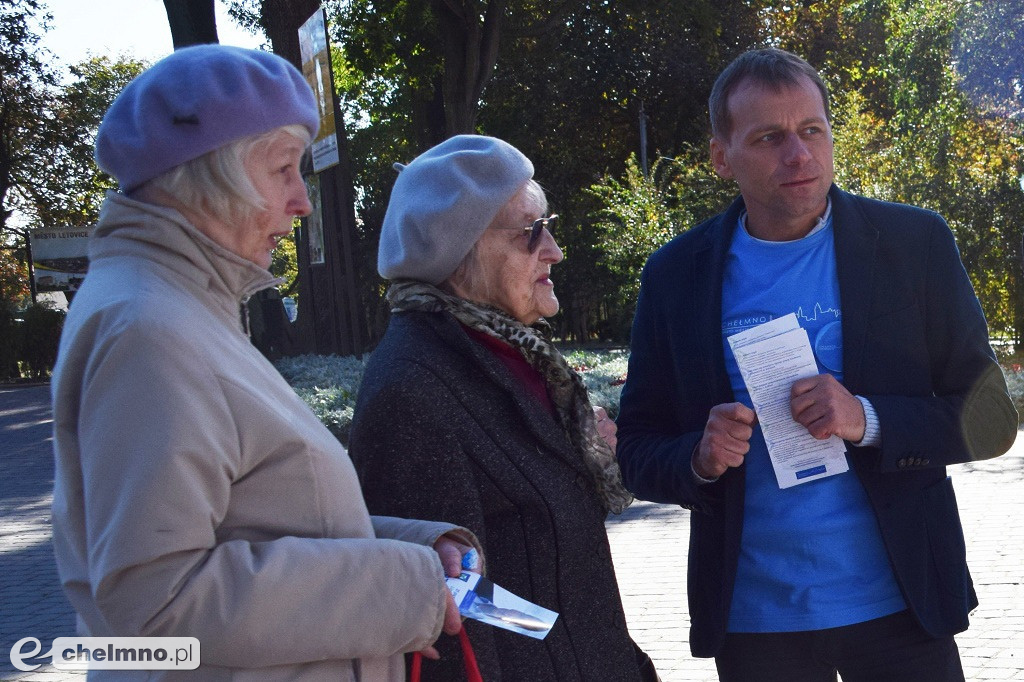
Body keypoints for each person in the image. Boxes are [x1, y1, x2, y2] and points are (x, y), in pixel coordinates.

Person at [51, 45, 483, 681]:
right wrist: (400, 584)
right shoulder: (150, 327)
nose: (301, 200)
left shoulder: (178, 307)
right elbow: (154, 607)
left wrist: (415, 551)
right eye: (283, 168)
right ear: (207, 174)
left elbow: (251, 518)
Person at [615, 48, 1019, 682]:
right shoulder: (676, 275)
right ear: (723, 157)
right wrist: (699, 455)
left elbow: (992, 418)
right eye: (770, 137)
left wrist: (866, 418)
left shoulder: (913, 245)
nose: (798, 154)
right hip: (756, 622)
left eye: (811, 131)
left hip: (901, 606)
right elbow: (637, 449)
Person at [348, 134, 656, 681]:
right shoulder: (414, 387)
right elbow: (453, 610)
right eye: (531, 233)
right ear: (462, 250)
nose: (555, 249)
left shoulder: (510, 353)